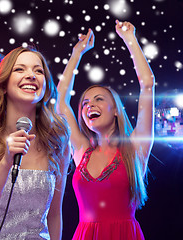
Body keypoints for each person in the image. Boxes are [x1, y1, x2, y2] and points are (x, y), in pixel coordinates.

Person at [57, 21, 154, 239]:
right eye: (84, 103)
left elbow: (147, 84)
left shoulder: (135, 149)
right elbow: (61, 101)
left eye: (99, 99)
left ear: (117, 111)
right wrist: (76, 53)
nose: (89, 105)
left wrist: (130, 39)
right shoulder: (82, 151)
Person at [0, 46, 71, 239]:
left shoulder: (58, 139)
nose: (31, 75)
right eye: (20, 69)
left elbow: (54, 215)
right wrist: (6, 162)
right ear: (3, 85)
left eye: (38, 71)